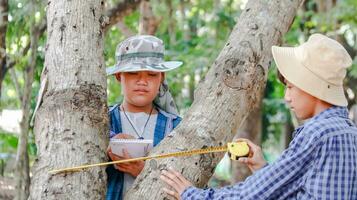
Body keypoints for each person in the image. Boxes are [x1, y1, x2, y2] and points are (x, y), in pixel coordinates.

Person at [160, 33, 357, 199]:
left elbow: (249, 195)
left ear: (312, 88)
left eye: (290, 87)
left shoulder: (316, 133)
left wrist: (190, 194)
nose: (287, 98)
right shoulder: (349, 132)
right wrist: (263, 168)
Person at [106, 35, 183, 200]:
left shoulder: (176, 127)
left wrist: (144, 172)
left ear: (161, 77)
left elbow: (188, 182)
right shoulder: (102, 120)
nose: (143, 81)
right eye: (133, 73)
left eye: (152, 74)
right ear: (119, 75)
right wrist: (112, 139)